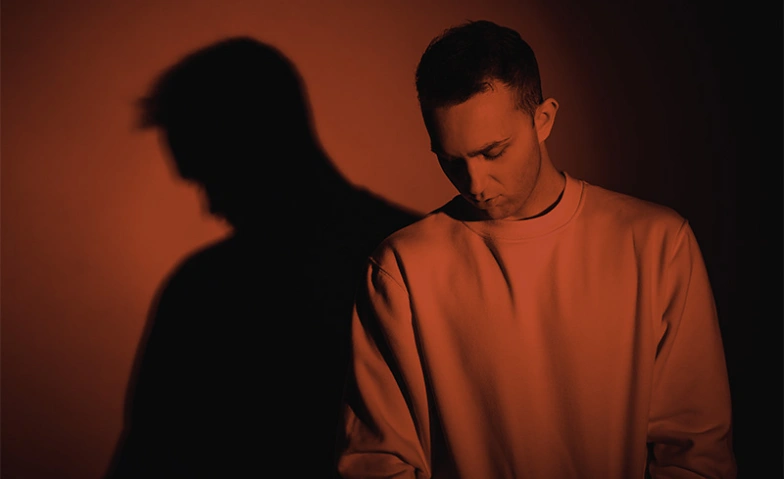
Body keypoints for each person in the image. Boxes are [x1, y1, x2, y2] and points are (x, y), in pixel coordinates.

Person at [336, 20, 736, 479]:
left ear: (543, 120)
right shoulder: (400, 269)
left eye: (493, 152)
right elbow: (376, 462)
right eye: (450, 161)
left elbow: (693, 453)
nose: (474, 184)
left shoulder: (657, 244)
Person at [103, 37, 418, 478]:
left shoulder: (205, 291)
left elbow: (147, 461)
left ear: (256, 144)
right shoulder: (421, 258)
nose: (210, 206)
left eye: (209, 177)